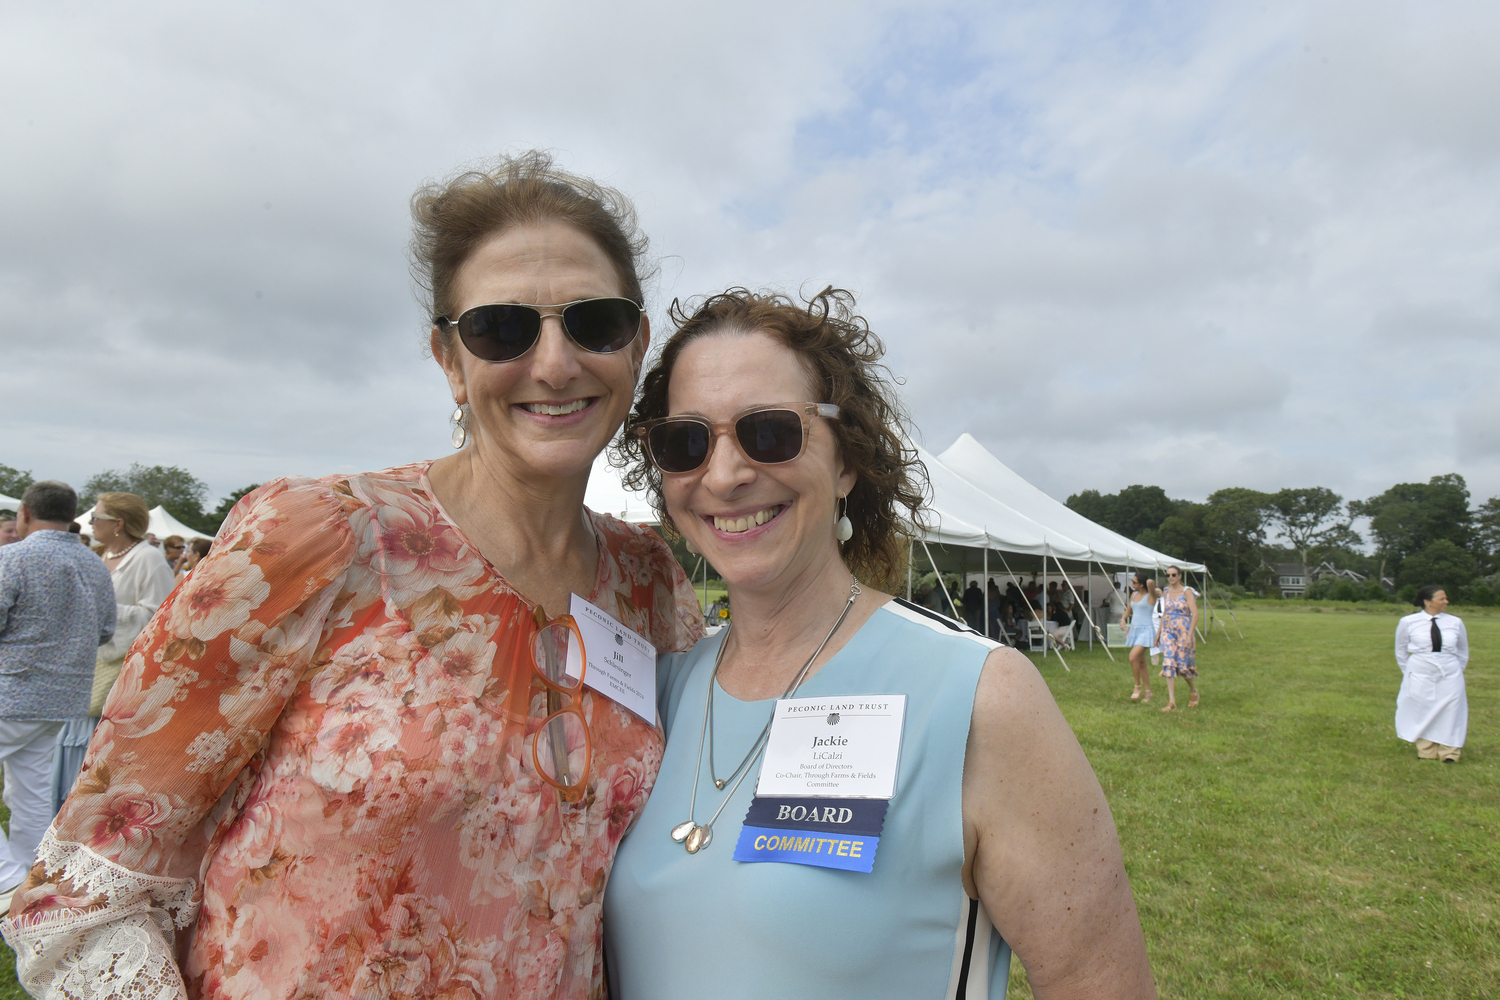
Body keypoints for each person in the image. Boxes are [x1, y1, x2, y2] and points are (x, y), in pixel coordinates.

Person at [4, 151, 703, 999]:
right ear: (449, 359)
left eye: (594, 322)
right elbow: (85, 889)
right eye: (502, 329)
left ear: (635, 346)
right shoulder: (317, 538)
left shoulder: (647, 582)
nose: (554, 362)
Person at [604, 288, 1154, 999]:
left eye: (769, 432)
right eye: (686, 442)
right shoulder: (656, 690)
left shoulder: (977, 695)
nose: (726, 474)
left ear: (846, 462)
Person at [0, 482, 115, 910]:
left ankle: (8, 880)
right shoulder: (93, 565)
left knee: (28, 791)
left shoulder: (13, 558)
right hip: (64, 697)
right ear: (73, 517)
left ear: (25, 513)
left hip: (12, 692)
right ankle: (31, 878)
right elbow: (105, 630)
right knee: (28, 792)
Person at [1394, 585, 1469, 762]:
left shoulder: (1455, 622)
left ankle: (1449, 752)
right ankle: (1426, 750)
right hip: (1420, 672)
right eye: (1441, 599)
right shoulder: (1408, 622)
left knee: (1452, 711)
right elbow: (1401, 651)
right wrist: (1411, 671)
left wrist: (1455, 670)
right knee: (1423, 709)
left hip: (1450, 673)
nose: (1446, 602)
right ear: (1428, 602)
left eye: (1446, 598)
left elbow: (1462, 651)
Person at [1155, 565, 1198, 711]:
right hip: (1168, 630)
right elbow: (1165, 612)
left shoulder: (1187, 592)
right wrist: (1159, 633)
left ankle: (1193, 690)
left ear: (1179, 576)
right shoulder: (1166, 592)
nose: (1171, 578)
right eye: (1168, 575)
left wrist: (1189, 635)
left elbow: (1195, 615)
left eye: (1174, 575)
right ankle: (1171, 701)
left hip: (1184, 630)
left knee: (1182, 666)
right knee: (1168, 661)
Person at [1118, 572, 1156, 703]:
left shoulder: (1150, 595)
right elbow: (1128, 610)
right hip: (1135, 629)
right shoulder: (1133, 594)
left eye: (1134, 582)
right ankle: (1148, 692)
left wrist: (1148, 582)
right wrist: (1123, 619)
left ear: (1141, 584)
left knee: (1132, 657)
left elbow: (1151, 583)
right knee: (1141, 662)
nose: (1132, 584)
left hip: (1146, 629)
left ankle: (1137, 687)